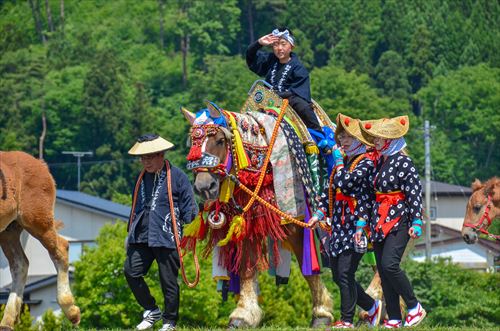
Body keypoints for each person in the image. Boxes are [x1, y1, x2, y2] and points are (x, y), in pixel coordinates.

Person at [310, 114, 382, 328]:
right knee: (338, 276)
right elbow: (328, 192)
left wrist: (338, 161)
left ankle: (347, 320)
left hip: (357, 226)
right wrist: (320, 214)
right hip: (339, 228)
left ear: (360, 140)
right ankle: (371, 307)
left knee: (345, 274)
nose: (342, 140)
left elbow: (347, 183)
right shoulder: (344, 164)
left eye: (348, 136)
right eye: (341, 135)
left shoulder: (365, 163)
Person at [124, 134, 198, 331]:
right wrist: (129, 234)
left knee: (168, 282)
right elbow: (135, 207)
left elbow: (190, 208)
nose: (145, 162)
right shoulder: (140, 179)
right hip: (141, 236)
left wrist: (191, 234)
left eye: (149, 157)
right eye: (142, 158)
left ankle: (169, 321)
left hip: (168, 235)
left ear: (161, 155)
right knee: (131, 271)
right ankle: (151, 309)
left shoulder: (178, 177)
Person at [358, 116, 426, 328]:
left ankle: (415, 307)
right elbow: (368, 195)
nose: (375, 141)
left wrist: (416, 221)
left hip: (399, 219)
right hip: (378, 221)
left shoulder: (403, 162)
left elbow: (414, 192)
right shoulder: (378, 162)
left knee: (390, 265)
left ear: (390, 140)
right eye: (375, 138)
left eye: (380, 138)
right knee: (382, 269)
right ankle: (394, 317)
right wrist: (362, 224)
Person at [246, 27, 331, 152]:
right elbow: (251, 58)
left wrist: (278, 95)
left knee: (303, 106)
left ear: (291, 46)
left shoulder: (299, 68)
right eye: (275, 45)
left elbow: (298, 90)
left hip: (289, 99)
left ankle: (320, 139)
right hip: (267, 99)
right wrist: (258, 43)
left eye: (283, 44)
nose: (279, 48)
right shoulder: (270, 60)